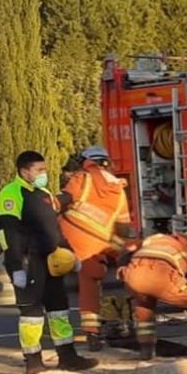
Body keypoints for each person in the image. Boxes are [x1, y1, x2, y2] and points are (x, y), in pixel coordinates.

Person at [0, 150, 95, 374]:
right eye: (39, 170)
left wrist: (71, 254)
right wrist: (16, 268)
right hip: (28, 262)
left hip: (51, 261)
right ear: (24, 171)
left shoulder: (44, 194)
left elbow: (56, 229)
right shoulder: (11, 194)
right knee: (31, 314)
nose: (44, 174)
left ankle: (68, 357)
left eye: (45, 169)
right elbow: (7, 233)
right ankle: (33, 362)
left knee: (59, 309)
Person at [58, 145, 133, 352]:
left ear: (86, 161)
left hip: (68, 239)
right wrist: (115, 253)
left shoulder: (83, 178)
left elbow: (65, 201)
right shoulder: (118, 188)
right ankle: (93, 333)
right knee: (91, 282)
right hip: (97, 246)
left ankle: (1, 243)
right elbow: (124, 227)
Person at [120, 230, 187, 360]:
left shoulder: (162, 241)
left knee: (144, 309)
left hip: (132, 275)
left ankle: (146, 351)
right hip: (161, 274)